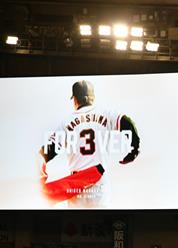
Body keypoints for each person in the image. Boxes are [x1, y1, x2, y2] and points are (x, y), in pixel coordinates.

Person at [38, 79, 140, 207]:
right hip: (99, 185)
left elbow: (45, 153)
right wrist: (134, 150)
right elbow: (127, 122)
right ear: (93, 98)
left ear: (75, 100)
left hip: (76, 187)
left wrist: (41, 178)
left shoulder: (66, 123)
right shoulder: (107, 114)